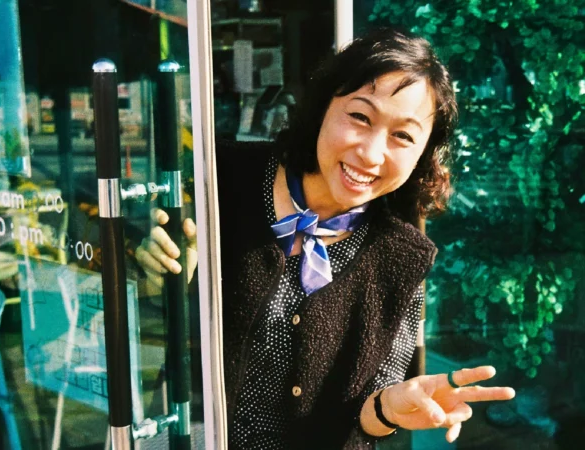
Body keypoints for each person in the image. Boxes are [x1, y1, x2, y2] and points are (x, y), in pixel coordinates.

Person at [137, 27, 515, 449]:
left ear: (423, 156)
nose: (371, 154)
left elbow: (365, 410)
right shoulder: (220, 178)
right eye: (360, 116)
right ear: (322, 108)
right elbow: (137, 308)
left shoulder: (403, 256)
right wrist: (157, 276)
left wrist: (388, 408)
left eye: (403, 136)